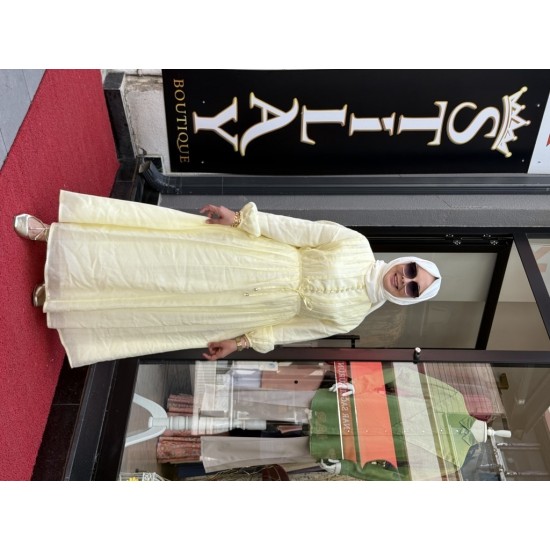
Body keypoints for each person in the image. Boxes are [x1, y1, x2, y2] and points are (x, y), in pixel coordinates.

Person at [13, 190, 441, 368]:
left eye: (413, 288)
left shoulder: (352, 317)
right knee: (154, 256)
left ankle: (65, 296)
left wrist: (240, 342)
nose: (404, 280)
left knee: (160, 301)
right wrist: (239, 219)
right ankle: (55, 235)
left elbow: (291, 331)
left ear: (409, 298)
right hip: (247, 257)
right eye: (411, 271)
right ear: (406, 262)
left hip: (246, 307)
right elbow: (297, 231)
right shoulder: (356, 245)